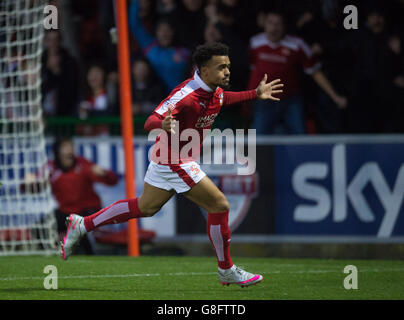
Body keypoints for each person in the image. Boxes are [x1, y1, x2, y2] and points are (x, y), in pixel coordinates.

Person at [61, 42, 284, 287]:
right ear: (204, 70)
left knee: (145, 207)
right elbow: (150, 121)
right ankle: (226, 269)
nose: (227, 72)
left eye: (228, 66)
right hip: (175, 160)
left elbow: (224, 99)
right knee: (219, 205)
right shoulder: (185, 95)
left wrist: (255, 93)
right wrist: (162, 125)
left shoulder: (214, 90)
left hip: (166, 158)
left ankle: (82, 224)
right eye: (221, 67)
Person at [248, 10, 346, 134]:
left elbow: (315, 72)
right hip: (264, 101)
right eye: (270, 23)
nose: (274, 28)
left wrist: (335, 97)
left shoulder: (297, 45)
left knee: (299, 137)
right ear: (264, 24)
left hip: (291, 101)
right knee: (259, 139)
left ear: (284, 27)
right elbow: (251, 70)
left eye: (278, 24)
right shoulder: (254, 43)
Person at [50, 137, 119, 254]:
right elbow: (30, 187)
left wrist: (104, 173)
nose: (70, 151)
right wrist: (28, 181)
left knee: (80, 226)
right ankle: (52, 255)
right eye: (65, 148)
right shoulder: (51, 169)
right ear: (57, 152)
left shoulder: (83, 165)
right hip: (65, 212)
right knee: (43, 226)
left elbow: (113, 180)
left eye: (71, 147)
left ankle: (91, 255)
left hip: (87, 210)